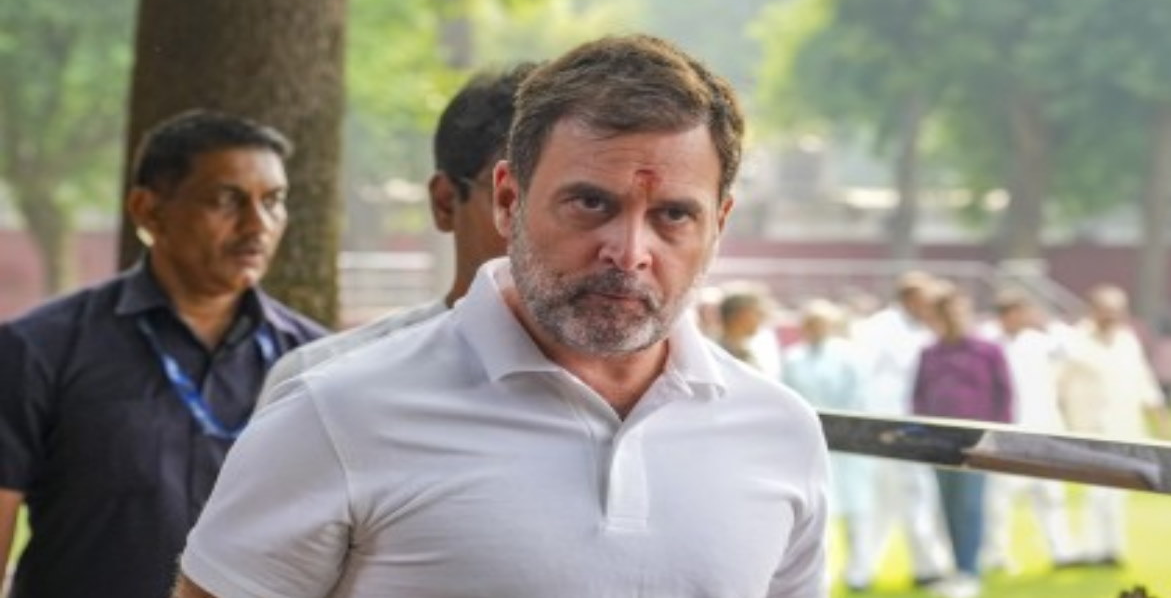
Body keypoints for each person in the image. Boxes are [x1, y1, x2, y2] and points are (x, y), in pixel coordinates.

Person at [174, 34, 831, 597]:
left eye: (674, 215)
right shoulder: (337, 413)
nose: (629, 251)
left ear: (719, 223)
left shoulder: (780, 432)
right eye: (590, 203)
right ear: (508, 200)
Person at [0, 110, 327, 598]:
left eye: (273, 201)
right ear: (148, 211)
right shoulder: (40, 349)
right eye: (227, 200)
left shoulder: (315, 364)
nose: (257, 224)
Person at [255, 63, 535, 407]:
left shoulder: (602, 396)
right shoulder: (321, 388)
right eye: (514, 200)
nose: (553, 230)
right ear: (445, 202)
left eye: (586, 203)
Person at [1059, 284, 1171, 567]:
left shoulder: (1127, 340)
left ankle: (1111, 548)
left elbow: (1144, 381)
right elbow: (1058, 385)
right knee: (1096, 490)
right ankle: (1092, 548)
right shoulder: (1073, 341)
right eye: (1106, 310)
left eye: (1117, 310)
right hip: (1088, 427)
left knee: (1117, 492)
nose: (1112, 316)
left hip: (1124, 427)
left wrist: (1161, 418)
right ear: (1093, 310)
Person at [854, 271, 953, 587]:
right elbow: (865, 378)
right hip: (889, 424)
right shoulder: (879, 328)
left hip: (913, 423)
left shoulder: (924, 330)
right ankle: (916, 569)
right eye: (925, 300)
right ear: (910, 299)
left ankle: (869, 571)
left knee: (905, 496)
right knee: (896, 496)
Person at [913, 287, 1012, 598]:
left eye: (958, 311)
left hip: (975, 441)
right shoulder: (930, 353)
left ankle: (969, 572)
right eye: (946, 313)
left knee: (969, 506)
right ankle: (958, 568)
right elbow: (919, 396)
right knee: (946, 506)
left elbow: (1005, 395)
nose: (953, 318)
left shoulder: (987, 351)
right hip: (939, 442)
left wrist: (997, 438)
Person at [977, 289, 1079, 572]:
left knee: (1050, 493)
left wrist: (1048, 323)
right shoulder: (988, 342)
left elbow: (1071, 349)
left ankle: (1062, 551)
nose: (1023, 318)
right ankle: (995, 554)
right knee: (999, 498)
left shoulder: (1039, 341)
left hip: (1043, 426)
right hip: (1004, 429)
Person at [782, 298, 875, 592]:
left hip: (849, 444)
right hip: (810, 445)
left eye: (820, 323)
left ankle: (859, 572)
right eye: (810, 323)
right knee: (820, 511)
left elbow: (859, 396)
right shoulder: (793, 357)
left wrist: (843, 430)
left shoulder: (849, 356)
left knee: (858, 508)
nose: (815, 328)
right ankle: (822, 575)